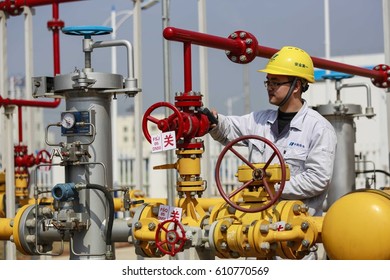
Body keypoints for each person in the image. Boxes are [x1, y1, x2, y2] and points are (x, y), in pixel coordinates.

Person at [209, 46, 337, 217]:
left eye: (275, 82)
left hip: (296, 227)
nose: (269, 87)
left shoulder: (318, 128)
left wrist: (272, 186)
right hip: (256, 222)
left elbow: (317, 179)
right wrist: (213, 121)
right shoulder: (259, 120)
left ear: (296, 86)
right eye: (268, 82)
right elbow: (229, 129)